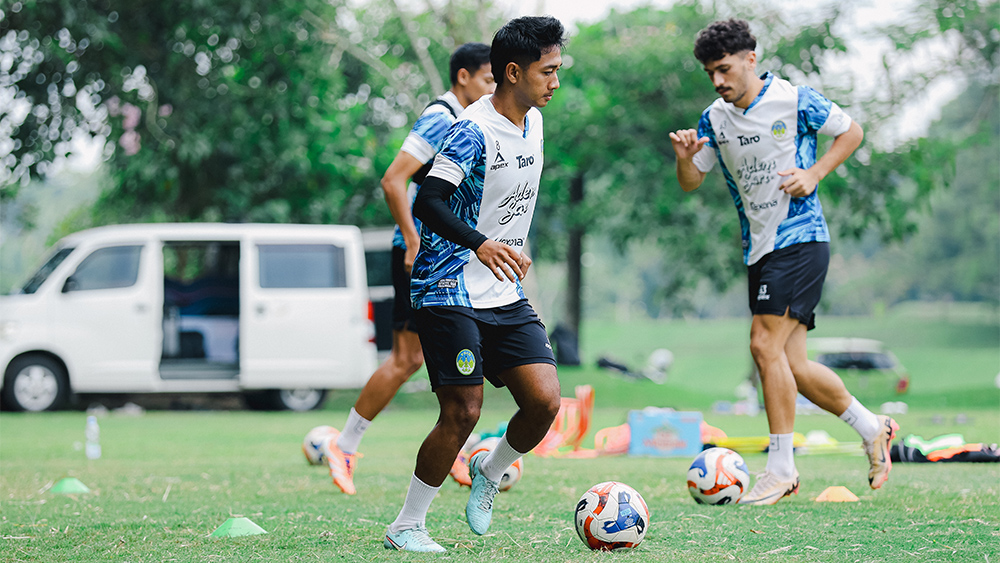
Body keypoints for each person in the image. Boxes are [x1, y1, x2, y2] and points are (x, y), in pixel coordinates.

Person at [668, 19, 898, 505]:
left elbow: (851, 132)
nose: (717, 80)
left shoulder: (794, 100)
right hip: (761, 249)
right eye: (710, 72)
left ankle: (781, 470)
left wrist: (814, 173)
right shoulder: (715, 118)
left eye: (724, 69)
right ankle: (872, 427)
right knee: (791, 363)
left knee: (761, 344)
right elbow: (692, 181)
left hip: (802, 238)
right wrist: (685, 157)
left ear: (751, 58)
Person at [382, 16, 566, 552]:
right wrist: (481, 242)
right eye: (547, 71)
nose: (556, 82)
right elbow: (428, 201)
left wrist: (503, 246)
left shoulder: (534, 122)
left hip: (502, 293)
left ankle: (491, 469)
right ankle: (407, 525)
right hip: (448, 288)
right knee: (463, 411)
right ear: (514, 71)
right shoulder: (471, 130)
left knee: (545, 403)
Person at [325, 43, 495, 496]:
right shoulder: (443, 116)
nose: (494, 89)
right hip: (422, 257)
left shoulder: (478, 120)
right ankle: (344, 445)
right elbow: (393, 178)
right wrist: (413, 239)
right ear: (463, 77)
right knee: (406, 359)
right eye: (488, 80)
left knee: (438, 353)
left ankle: (458, 447)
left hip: (452, 259)